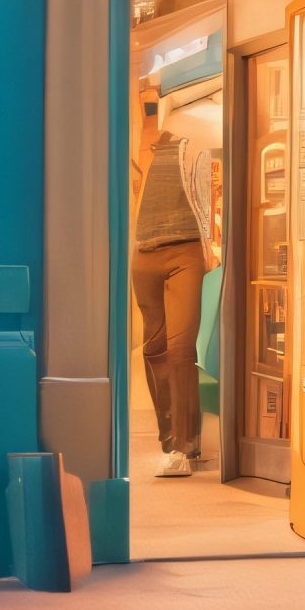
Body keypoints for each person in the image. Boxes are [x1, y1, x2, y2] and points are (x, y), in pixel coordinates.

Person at [131, 86, 218, 478]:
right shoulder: (140, 144)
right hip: (144, 251)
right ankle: (174, 441)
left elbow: (208, 192)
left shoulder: (196, 139)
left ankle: (183, 446)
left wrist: (210, 244)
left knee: (181, 350)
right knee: (155, 351)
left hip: (185, 251)